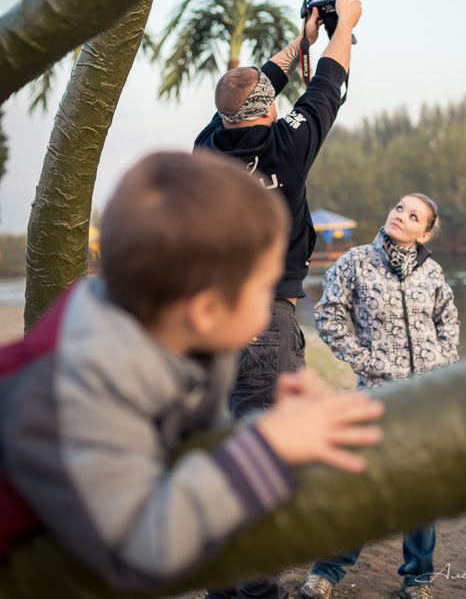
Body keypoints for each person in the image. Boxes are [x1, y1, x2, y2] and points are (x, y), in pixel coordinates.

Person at [0, 151, 384, 594]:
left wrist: (278, 418)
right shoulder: (82, 388)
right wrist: (268, 447)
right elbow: (142, 550)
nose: (276, 300)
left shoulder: (176, 330)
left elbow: (201, 437)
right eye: (266, 288)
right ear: (206, 311)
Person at [194, 0, 361, 599]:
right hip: (267, 322)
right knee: (266, 458)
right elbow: (331, 84)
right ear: (268, 113)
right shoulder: (287, 148)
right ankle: (256, 588)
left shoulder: (208, 149)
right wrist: (343, 26)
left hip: (209, 324)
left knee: (222, 447)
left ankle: (221, 581)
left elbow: (257, 87)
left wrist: (303, 43)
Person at [300, 193, 460, 599]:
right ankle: (328, 572)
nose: (400, 216)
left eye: (413, 216)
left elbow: (449, 321)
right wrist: (364, 360)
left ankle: (418, 579)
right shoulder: (355, 262)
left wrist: (442, 364)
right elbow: (329, 314)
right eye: (398, 208)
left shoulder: (433, 273)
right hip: (376, 393)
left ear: (425, 232)